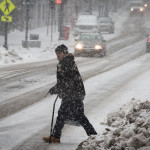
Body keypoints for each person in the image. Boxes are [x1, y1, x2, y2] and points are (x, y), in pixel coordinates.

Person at [42, 44, 97, 143]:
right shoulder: (65, 62)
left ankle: (94, 136)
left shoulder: (66, 63)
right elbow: (64, 80)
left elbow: (67, 81)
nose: (57, 55)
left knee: (79, 116)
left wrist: (56, 88)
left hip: (73, 94)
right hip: (71, 94)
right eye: (56, 53)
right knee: (62, 115)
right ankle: (55, 136)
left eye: (59, 53)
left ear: (64, 53)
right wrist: (57, 88)